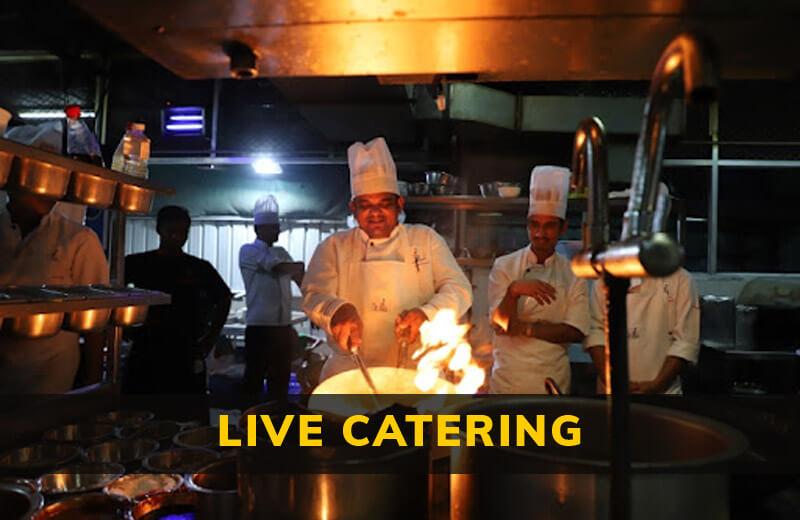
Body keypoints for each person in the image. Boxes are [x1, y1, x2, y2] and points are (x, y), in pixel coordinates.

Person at [302, 137, 472, 381]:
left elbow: (460, 289)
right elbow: (313, 294)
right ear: (353, 208)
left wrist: (428, 313)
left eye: (384, 203)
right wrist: (336, 310)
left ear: (399, 204)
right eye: (365, 205)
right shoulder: (334, 247)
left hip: (418, 374)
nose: (375, 213)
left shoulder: (424, 239)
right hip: (350, 373)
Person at [585, 191, 700, 395]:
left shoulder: (681, 280)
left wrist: (657, 386)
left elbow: (685, 342)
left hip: (664, 394)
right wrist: (611, 379)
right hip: (611, 393)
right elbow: (595, 332)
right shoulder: (607, 279)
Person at [489, 165, 589, 394]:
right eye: (534, 225)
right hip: (507, 383)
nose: (540, 234)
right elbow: (500, 324)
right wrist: (514, 291)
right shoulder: (505, 266)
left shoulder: (574, 272)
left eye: (549, 226)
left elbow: (574, 331)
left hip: (551, 384)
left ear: (563, 228)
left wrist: (525, 328)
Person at [0, 190, 109, 393]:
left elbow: (96, 318)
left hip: (51, 372)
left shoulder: (79, 239)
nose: (49, 191)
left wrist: (92, 382)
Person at [124, 205, 231, 394]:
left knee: (187, 410)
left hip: (185, 349)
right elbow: (112, 293)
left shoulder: (199, 268)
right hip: (146, 347)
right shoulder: (138, 263)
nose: (177, 237)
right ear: (159, 230)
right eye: (171, 231)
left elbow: (223, 299)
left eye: (182, 232)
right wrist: (124, 328)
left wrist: (210, 339)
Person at [238, 195, 305, 399]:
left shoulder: (281, 251)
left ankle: (276, 423)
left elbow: (300, 278)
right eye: (273, 227)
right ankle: (248, 425)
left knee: (280, 382)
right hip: (260, 328)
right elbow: (279, 268)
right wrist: (298, 266)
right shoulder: (248, 251)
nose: (278, 231)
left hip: (283, 327)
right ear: (259, 229)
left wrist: (313, 303)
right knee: (254, 380)